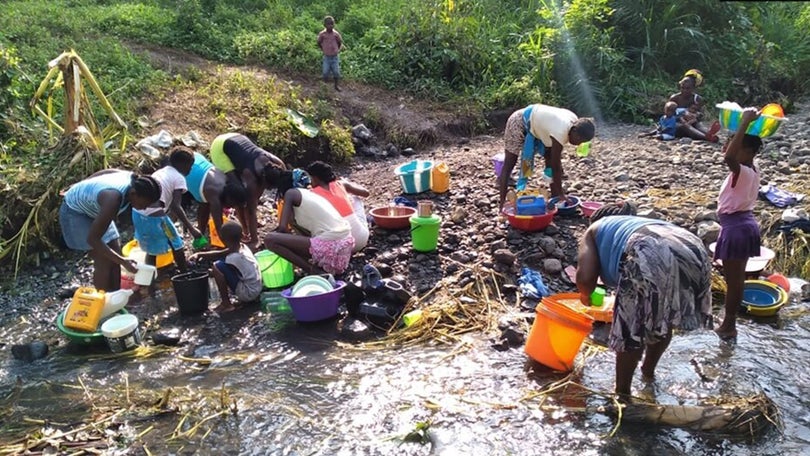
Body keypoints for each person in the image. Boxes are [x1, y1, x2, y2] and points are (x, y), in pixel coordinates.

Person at [575, 202, 711, 398]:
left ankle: (622, 395)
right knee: (664, 316)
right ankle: (648, 374)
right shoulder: (632, 224)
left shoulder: (593, 229)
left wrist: (585, 296)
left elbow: (585, 279)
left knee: (631, 329)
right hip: (694, 247)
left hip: (648, 248)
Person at [59, 170, 162, 291]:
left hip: (94, 208)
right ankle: (104, 302)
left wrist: (86, 184)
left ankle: (116, 298)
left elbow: (107, 172)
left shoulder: (132, 179)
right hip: (75, 212)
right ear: (134, 194)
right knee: (103, 260)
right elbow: (93, 240)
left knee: (115, 253)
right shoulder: (113, 199)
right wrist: (124, 262)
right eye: (144, 204)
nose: (145, 208)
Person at [713, 108, 763, 341]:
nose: (730, 148)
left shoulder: (742, 170)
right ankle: (728, 322)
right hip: (743, 225)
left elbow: (729, 158)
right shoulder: (752, 169)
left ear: (750, 151)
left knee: (734, 282)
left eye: (738, 144)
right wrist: (739, 135)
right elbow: (731, 154)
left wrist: (744, 123)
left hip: (737, 228)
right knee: (736, 279)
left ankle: (729, 325)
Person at [498, 104, 595, 209]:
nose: (579, 144)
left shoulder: (574, 122)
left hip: (538, 125)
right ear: (574, 130)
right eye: (579, 139)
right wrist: (562, 194)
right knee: (509, 163)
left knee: (549, 157)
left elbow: (553, 164)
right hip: (520, 120)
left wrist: (559, 196)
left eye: (582, 142)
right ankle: (502, 204)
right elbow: (556, 166)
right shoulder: (561, 131)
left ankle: (555, 198)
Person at [263, 169, 354, 275]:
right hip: (344, 246)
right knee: (290, 237)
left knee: (269, 239)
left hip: (333, 244)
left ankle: (313, 270)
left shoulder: (290, 194)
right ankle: (315, 267)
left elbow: (282, 228)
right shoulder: (309, 194)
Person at [208, 134, 286, 249]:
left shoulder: (278, 164)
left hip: (236, 137)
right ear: (263, 179)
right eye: (267, 187)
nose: (267, 190)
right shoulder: (251, 178)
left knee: (251, 199)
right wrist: (255, 240)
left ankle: (250, 227)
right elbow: (251, 209)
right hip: (220, 147)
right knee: (239, 193)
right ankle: (246, 232)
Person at [169, 146, 248, 246]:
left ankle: (201, 234)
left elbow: (205, 206)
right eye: (231, 205)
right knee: (183, 207)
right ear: (229, 198)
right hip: (186, 165)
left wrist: (245, 231)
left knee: (204, 204)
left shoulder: (226, 180)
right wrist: (234, 246)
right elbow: (219, 227)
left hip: (196, 159)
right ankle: (198, 235)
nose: (231, 208)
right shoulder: (214, 195)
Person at [132, 163, 197, 272]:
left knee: (151, 251)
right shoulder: (179, 178)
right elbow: (176, 206)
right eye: (190, 167)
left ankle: (149, 283)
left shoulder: (162, 172)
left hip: (137, 212)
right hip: (156, 217)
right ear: (185, 166)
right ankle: (184, 272)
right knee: (176, 243)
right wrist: (192, 229)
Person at [188, 221, 262, 312]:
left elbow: (220, 269)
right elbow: (220, 253)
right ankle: (243, 300)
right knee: (219, 267)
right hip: (257, 289)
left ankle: (226, 304)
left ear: (222, 239)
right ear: (241, 236)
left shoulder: (234, 258)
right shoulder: (242, 247)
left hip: (248, 293)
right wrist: (199, 254)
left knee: (217, 266)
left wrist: (212, 272)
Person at [306, 161, 370, 252]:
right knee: (355, 198)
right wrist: (348, 184)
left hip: (339, 247)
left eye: (310, 178)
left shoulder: (311, 194)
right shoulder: (341, 184)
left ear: (315, 178)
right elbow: (366, 193)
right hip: (361, 240)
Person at [669, 69, 720, 142]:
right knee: (685, 126)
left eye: (687, 88)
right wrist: (682, 117)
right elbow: (668, 115)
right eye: (682, 88)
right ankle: (706, 137)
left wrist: (695, 115)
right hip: (677, 125)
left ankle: (709, 134)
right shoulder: (674, 98)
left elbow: (700, 115)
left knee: (697, 125)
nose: (684, 90)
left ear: (694, 88)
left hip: (692, 123)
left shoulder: (697, 99)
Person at [317, 16, 343, 91]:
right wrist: (323, 49)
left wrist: (337, 50)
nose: (330, 26)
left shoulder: (336, 34)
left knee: (336, 72)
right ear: (325, 25)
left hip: (335, 57)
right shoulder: (322, 34)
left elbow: (340, 43)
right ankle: (324, 87)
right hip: (327, 57)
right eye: (328, 24)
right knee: (325, 73)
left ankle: (336, 86)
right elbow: (318, 42)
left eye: (332, 24)